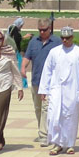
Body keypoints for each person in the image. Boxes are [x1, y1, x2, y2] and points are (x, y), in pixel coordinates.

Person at [38, 26, 79, 155]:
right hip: (56, 90)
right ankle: (57, 144)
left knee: (70, 117)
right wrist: (43, 89)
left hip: (73, 90)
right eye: (63, 38)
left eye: (67, 38)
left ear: (72, 38)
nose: (65, 40)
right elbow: (47, 71)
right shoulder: (54, 52)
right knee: (53, 117)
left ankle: (70, 144)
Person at [21, 18, 60, 146]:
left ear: (50, 29)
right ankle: (42, 130)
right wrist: (23, 68)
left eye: (44, 30)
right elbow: (27, 57)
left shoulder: (57, 42)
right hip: (36, 80)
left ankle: (44, 134)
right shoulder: (33, 42)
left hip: (50, 82)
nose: (42, 32)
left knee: (46, 107)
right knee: (38, 108)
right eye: (40, 30)